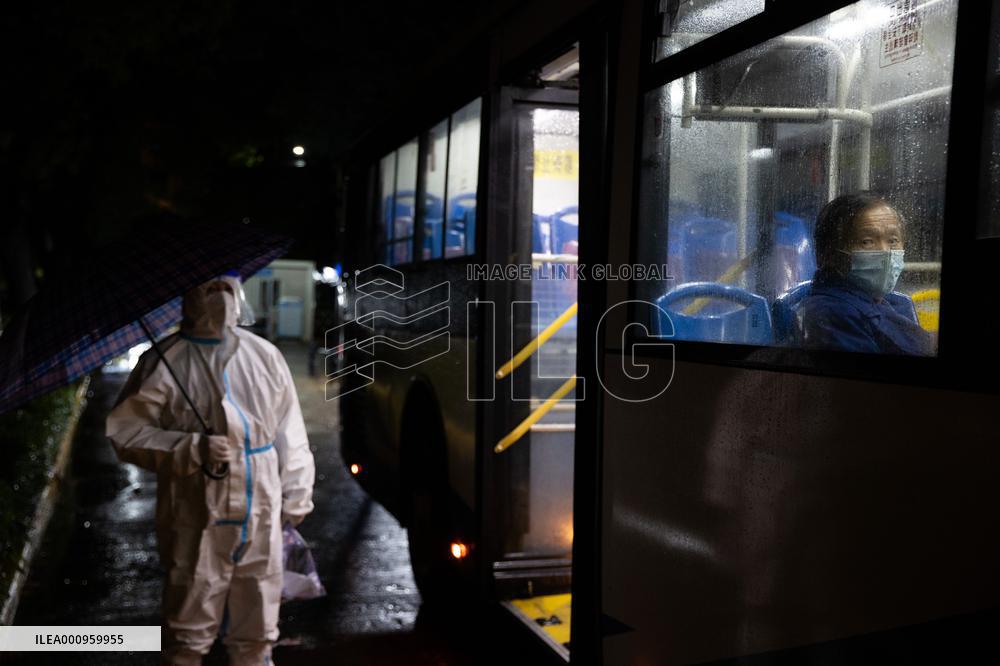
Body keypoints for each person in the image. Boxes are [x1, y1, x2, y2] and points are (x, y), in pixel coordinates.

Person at [106, 271, 315, 665]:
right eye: (208, 288)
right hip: (195, 508)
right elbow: (126, 432)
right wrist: (190, 446)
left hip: (262, 506)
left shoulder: (263, 355)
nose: (219, 297)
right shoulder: (165, 360)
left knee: (258, 624)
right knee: (188, 625)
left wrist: (297, 490)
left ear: (239, 295)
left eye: (226, 287)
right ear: (189, 297)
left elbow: (291, 430)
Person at [794, 192, 932, 355]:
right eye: (867, 242)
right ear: (830, 253)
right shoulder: (832, 315)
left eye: (893, 241)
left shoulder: (882, 300)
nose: (885, 252)